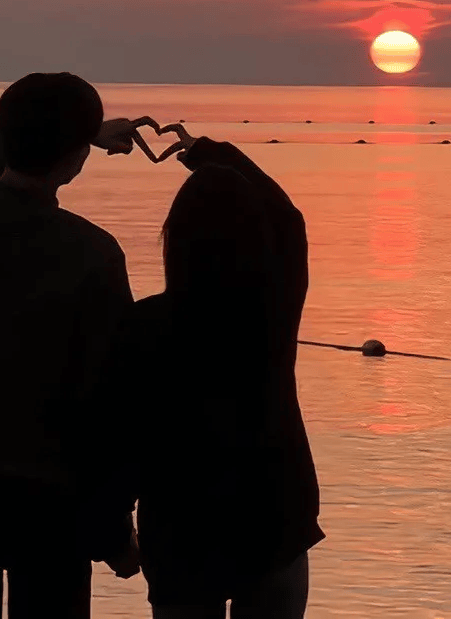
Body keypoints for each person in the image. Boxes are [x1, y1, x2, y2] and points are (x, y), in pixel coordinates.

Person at [0, 73, 151, 619]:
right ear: (76, 159)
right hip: (51, 501)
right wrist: (115, 534)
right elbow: (108, 403)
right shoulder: (93, 253)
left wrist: (80, 132)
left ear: (5, 130)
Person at [101, 125, 325, 618]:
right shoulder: (271, 309)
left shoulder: (142, 325)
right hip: (274, 513)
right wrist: (207, 153)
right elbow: (289, 220)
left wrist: (112, 533)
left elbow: (120, 439)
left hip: (181, 522)